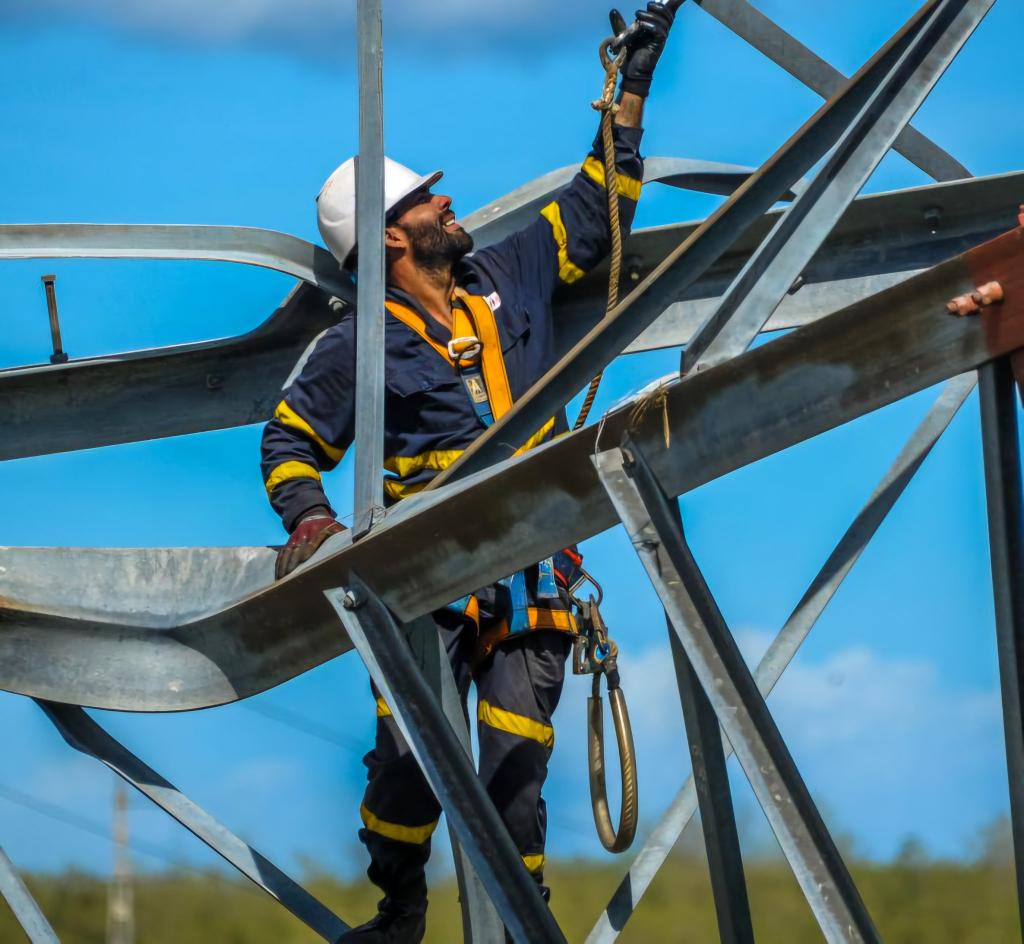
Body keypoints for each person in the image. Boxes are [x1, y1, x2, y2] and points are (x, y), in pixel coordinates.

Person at [260, 6, 676, 941]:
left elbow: (595, 214)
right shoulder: (352, 350)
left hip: (530, 567)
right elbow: (289, 446)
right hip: (428, 582)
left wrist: (631, 89)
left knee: (516, 762)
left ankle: (519, 917)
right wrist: (312, 524)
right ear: (392, 239)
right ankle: (400, 906)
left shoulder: (509, 275)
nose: (450, 205)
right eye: (428, 203)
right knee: (410, 755)